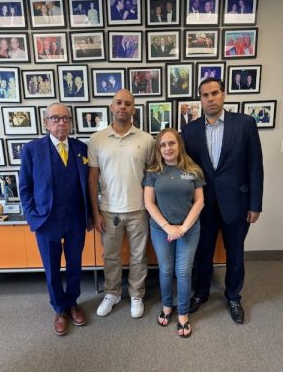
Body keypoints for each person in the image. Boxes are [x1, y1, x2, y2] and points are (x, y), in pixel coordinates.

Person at [181, 78, 263, 324]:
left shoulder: (245, 124)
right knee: (202, 252)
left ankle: (233, 296)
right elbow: (187, 170)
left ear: (223, 95)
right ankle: (201, 293)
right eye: (205, 95)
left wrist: (255, 204)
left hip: (237, 202)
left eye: (214, 93)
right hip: (203, 205)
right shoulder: (190, 130)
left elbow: (255, 167)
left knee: (235, 253)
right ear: (200, 99)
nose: (210, 98)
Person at [19, 103, 91, 336]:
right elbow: (25, 188)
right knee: (51, 268)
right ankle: (59, 309)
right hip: (46, 222)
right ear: (45, 122)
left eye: (65, 119)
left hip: (75, 220)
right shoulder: (32, 150)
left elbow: (88, 185)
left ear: (71, 122)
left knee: (74, 265)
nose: (61, 123)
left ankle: (72, 303)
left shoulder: (81, 148)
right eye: (55, 118)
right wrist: (32, 217)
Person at [88, 89, 154, 318]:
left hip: (139, 209)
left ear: (133, 109)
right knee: (111, 256)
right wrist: (95, 213)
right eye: (119, 102)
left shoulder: (146, 140)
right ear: (111, 107)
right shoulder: (97, 140)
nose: (123, 106)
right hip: (108, 210)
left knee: (138, 256)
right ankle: (112, 293)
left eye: (128, 103)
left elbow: (152, 176)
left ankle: (137, 294)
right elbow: (93, 177)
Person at [143, 128, 205, 337]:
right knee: (166, 270)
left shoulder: (194, 170)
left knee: (183, 272)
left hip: (189, 230)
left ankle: (183, 314)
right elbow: (149, 203)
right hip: (162, 230)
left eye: (171, 143)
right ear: (158, 149)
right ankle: (167, 306)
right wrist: (168, 227)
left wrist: (183, 228)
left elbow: (199, 202)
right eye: (162, 145)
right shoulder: (153, 172)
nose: (167, 148)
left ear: (179, 145)